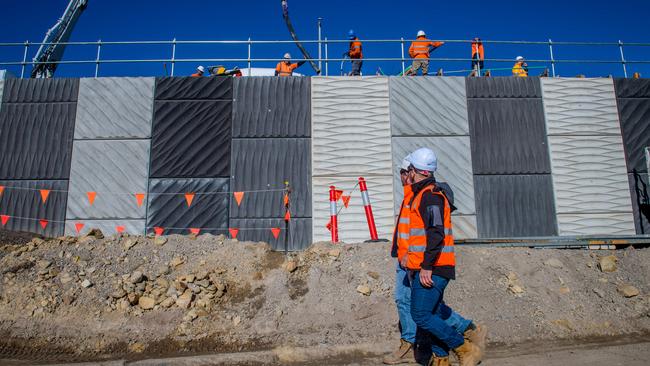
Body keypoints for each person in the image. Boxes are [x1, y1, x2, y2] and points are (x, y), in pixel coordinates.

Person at [384, 156, 485, 365]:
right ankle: (441, 358)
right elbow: (416, 235)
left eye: (409, 169)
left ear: (417, 171)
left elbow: (436, 234)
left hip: (434, 266)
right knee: (433, 312)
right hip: (420, 264)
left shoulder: (430, 197)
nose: (406, 174)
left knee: (420, 314)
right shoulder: (419, 195)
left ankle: (464, 347)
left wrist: (426, 266)